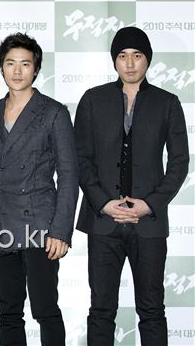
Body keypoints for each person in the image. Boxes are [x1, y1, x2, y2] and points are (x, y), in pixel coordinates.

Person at [74, 26, 189, 345]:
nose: (130, 63)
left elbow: (179, 162)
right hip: (103, 221)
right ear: (114, 61)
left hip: (148, 223)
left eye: (137, 55)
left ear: (147, 60)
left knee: (152, 310)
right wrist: (103, 202)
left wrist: (150, 203)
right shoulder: (93, 100)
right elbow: (80, 158)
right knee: (100, 312)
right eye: (122, 56)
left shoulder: (167, 103)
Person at [0, 33, 79, 346]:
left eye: (25, 63)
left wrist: (61, 231)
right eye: (10, 63)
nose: (17, 71)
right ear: (1, 68)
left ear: (36, 69)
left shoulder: (53, 112)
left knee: (45, 308)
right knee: (7, 310)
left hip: (39, 224)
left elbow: (70, 174)